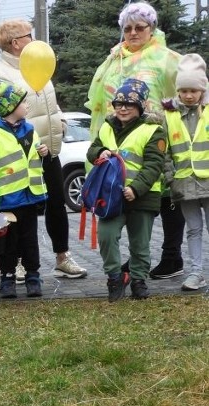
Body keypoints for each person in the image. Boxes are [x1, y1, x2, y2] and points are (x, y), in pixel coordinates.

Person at [0, 19, 88, 282]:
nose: (35, 39)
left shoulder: (38, 63)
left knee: (56, 205)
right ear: (16, 42)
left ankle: (62, 258)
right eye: (30, 35)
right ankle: (17, 263)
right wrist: (18, 140)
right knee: (20, 213)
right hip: (19, 158)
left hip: (47, 151)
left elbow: (50, 103)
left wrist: (60, 120)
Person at [86, 2, 182, 279]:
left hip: (158, 139)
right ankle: (137, 258)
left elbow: (188, 95)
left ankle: (172, 257)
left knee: (165, 197)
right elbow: (99, 101)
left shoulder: (165, 58)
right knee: (129, 198)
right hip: (119, 141)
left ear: (151, 28)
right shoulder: (114, 58)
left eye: (139, 27)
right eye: (127, 28)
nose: (133, 32)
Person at [89, 79, 165, 302]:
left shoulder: (153, 130)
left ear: (140, 107)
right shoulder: (107, 126)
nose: (122, 108)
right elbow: (92, 148)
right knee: (106, 236)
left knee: (140, 244)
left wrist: (136, 188)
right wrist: (99, 152)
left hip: (142, 197)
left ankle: (139, 281)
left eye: (129, 104)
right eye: (118, 103)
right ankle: (115, 277)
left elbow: (154, 165)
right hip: (111, 196)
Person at [0, 80, 49, 299]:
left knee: (30, 241)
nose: (27, 106)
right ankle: (7, 279)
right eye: (22, 102)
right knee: (8, 244)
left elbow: (31, 161)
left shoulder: (30, 130)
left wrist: (43, 153)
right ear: (9, 108)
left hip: (29, 198)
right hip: (6, 201)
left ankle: (33, 278)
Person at [162, 54, 209, 292]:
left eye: (194, 90)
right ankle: (196, 272)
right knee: (193, 229)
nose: (189, 95)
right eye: (184, 90)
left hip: (208, 181)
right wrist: (170, 177)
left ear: (202, 89)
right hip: (183, 183)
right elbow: (165, 151)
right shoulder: (169, 114)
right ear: (178, 91)